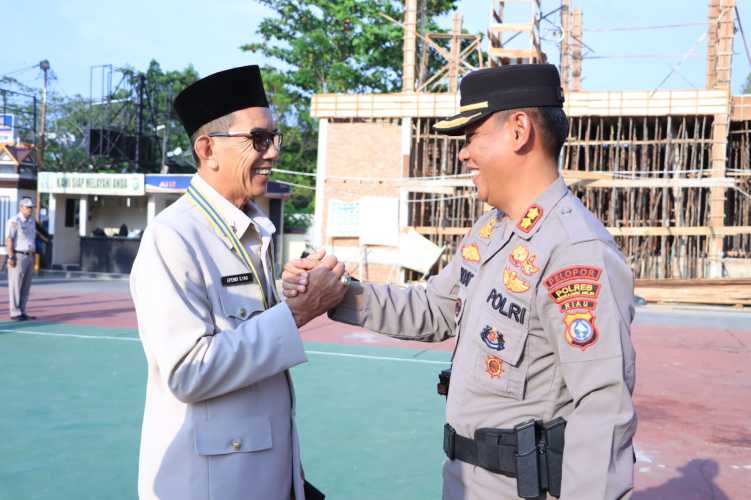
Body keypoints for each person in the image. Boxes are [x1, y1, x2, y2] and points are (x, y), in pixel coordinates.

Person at [284, 64, 637, 499]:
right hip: (467, 480)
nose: (463, 153)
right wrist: (336, 291)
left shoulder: (575, 250)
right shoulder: (492, 232)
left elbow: (602, 409)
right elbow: (435, 309)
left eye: (471, 135)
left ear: (519, 130)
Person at [129, 65, 346, 500]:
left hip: (259, 475)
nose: (272, 153)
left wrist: (290, 297)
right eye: (258, 139)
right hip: (209, 485)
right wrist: (296, 313)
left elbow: (247, 338)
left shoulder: (251, 230)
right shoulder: (174, 236)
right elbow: (188, 372)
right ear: (207, 148)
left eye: (273, 139)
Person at [6, 197, 37, 321]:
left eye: (31, 207)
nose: (30, 209)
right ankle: (14, 312)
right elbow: (9, 239)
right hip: (18, 255)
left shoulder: (31, 221)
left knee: (25, 286)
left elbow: (31, 239)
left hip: (29, 256)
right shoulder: (14, 221)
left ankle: (22, 310)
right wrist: (10, 256)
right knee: (15, 285)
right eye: (28, 207)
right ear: (21, 207)